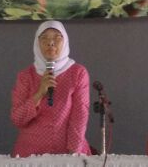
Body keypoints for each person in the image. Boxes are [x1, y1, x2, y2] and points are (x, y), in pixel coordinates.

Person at [10, 21, 91, 157]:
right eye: (44, 38)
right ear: (37, 43)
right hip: (29, 156)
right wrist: (39, 93)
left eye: (57, 38)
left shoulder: (77, 73)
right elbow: (17, 119)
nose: (51, 43)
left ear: (65, 42)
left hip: (67, 154)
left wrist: (74, 154)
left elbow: (80, 116)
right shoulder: (25, 76)